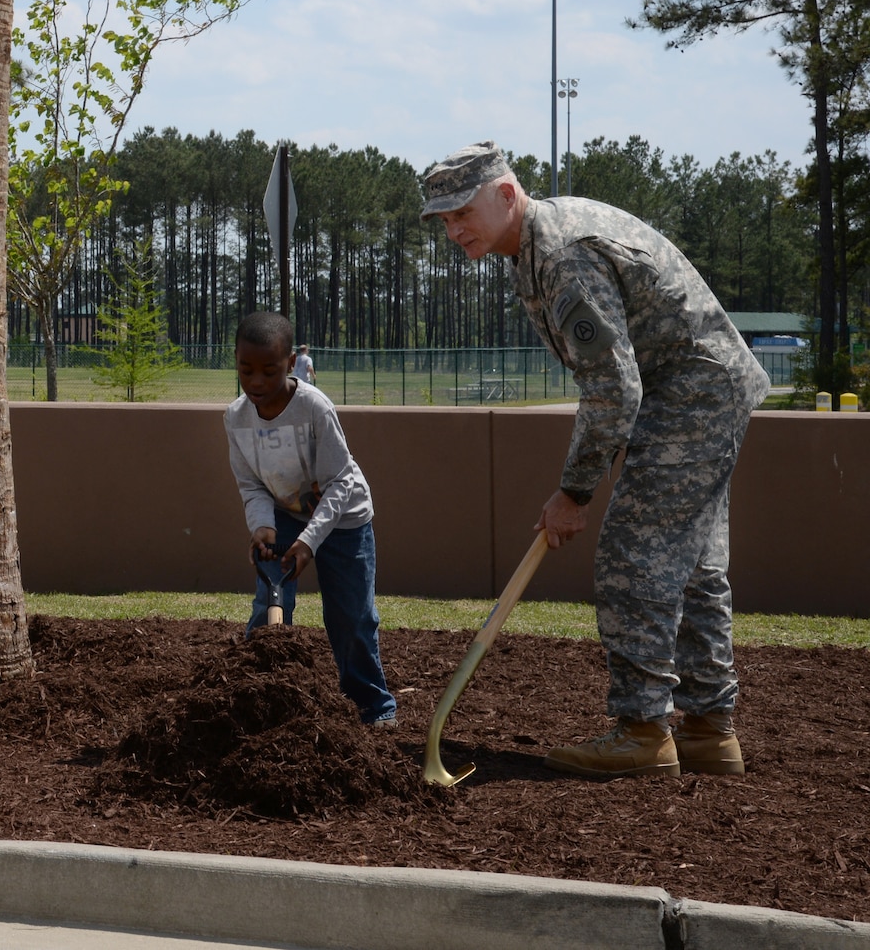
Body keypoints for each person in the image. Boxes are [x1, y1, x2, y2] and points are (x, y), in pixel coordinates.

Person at [421, 141, 770, 779]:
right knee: (693, 567)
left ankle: (643, 730)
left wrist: (573, 494)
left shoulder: (558, 252)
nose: (453, 230)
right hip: (698, 388)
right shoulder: (538, 244)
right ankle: (708, 733)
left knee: (632, 557)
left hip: (690, 390)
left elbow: (615, 388)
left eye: (462, 212)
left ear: (505, 195)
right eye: (443, 220)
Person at [224, 311, 398, 727]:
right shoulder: (235, 418)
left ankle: (373, 706)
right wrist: (262, 527)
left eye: (270, 370)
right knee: (269, 607)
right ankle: (257, 703)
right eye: (246, 370)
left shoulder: (314, 407)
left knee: (351, 616)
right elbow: (251, 484)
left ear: (291, 363)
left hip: (342, 519)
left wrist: (309, 541)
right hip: (282, 516)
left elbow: (339, 482)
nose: (256, 382)